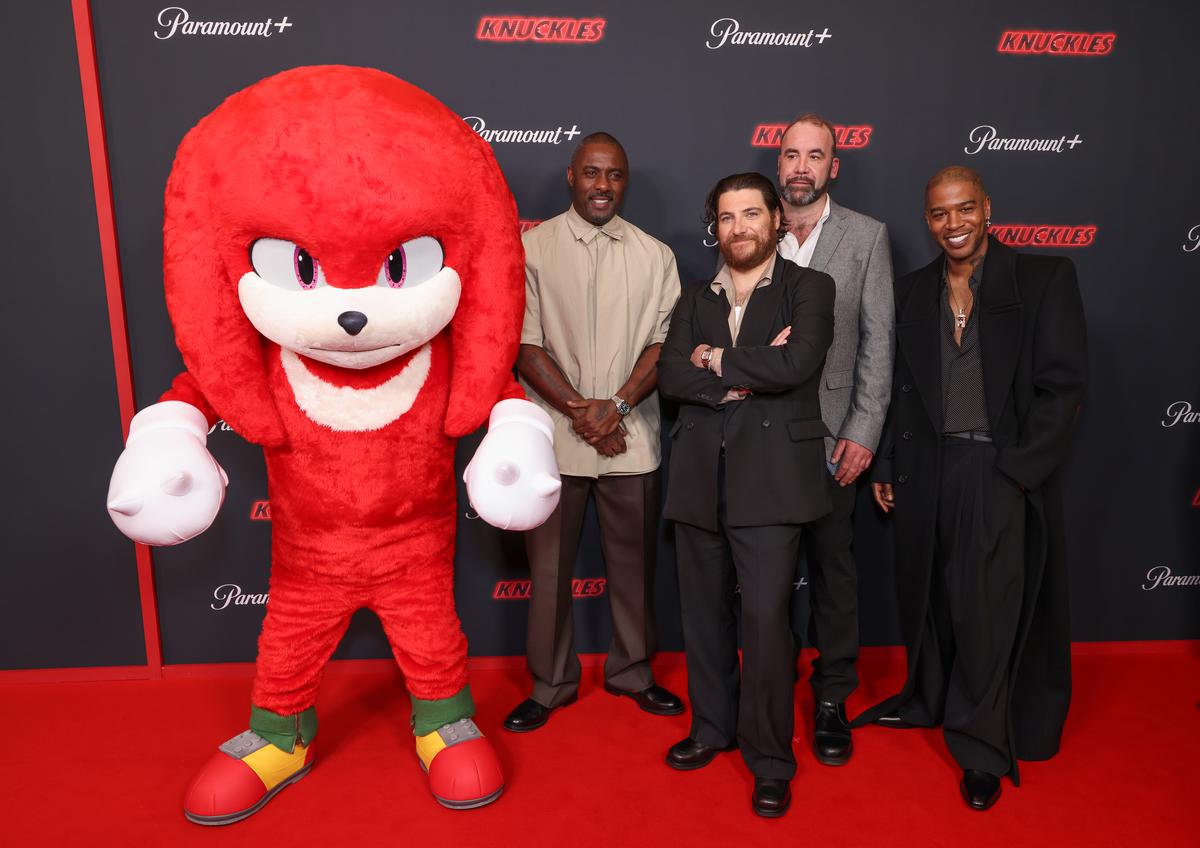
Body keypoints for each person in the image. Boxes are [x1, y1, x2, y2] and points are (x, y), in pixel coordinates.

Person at [860, 166, 1088, 811]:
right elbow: (901, 391)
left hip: (999, 469)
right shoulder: (913, 291)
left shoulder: (1043, 279)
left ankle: (982, 749)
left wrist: (1018, 472)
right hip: (927, 470)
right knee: (934, 598)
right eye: (939, 214)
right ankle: (929, 697)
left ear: (988, 209)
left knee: (988, 612)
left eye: (964, 209)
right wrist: (884, 466)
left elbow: (1062, 389)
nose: (952, 224)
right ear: (926, 220)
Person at [658, 172, 835, 817]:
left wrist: (718, 360)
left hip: (773, 485)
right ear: (717, 226)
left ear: (777, 221)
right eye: (728, 218)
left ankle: (768, 757)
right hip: (700, 479)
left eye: (752, 215)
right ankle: (711, 728)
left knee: (765, 625)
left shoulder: (810, 288)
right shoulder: (694, 294)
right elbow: (672, 376)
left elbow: (797, 365)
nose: (740, 228)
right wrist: (731, 368)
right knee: (704, 617)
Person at [503, 132, 684, 733]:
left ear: (624, 182)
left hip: (632, 439)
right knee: (549, 572)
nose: (603, 185)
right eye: (592, 173)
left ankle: (633, 671)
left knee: (634, 570)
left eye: (614, 175)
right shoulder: (530, 249)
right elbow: (524, 345)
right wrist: (586, 411)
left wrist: (620, 408)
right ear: (571, 176)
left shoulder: (656, 255)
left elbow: (665, 344)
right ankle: (551, 684)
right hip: (554, 441)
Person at [774, 114, 895, 765]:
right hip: (763, 444)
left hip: (832, 447)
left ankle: (831, 700)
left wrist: (863, 431)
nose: (801, 166)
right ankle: (769, 691)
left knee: (834, 577)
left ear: (833, 166)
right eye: (791, 154)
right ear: (779, 160)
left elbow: (879, 341)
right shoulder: (750, 227)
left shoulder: (868, 239)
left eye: (814, 155)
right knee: (763, 581)